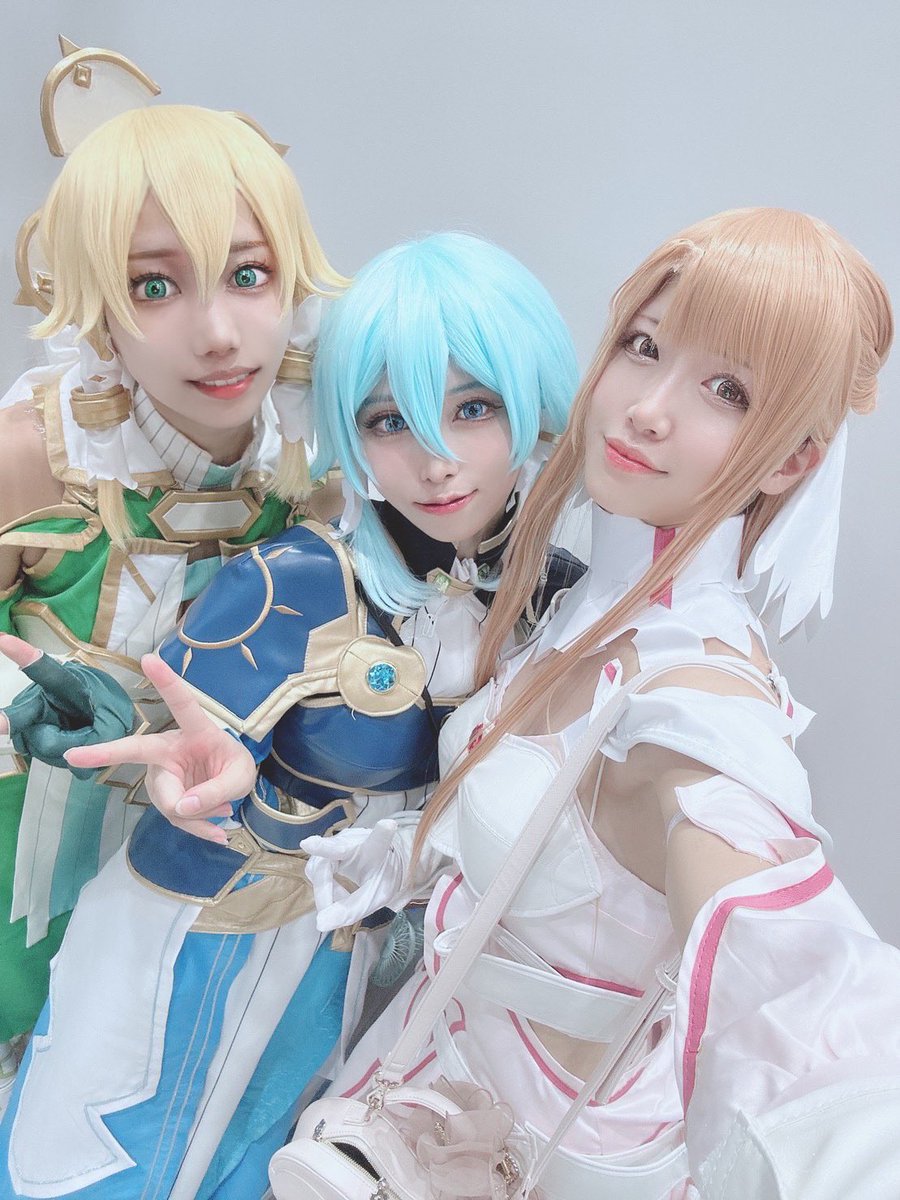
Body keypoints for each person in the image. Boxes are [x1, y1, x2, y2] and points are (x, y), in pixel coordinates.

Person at [285, 208, 900, 1199]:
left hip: (548, 1152)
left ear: (791, 459)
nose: (647, 408)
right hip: (424, 1087)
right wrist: (401, 855)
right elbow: (559, 849)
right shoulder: (586, 600)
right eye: (645, 347)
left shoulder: (700, 711)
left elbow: (807, 1012)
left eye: (728, 390)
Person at [0, 232, 580, 1200]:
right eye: (390, 421)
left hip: (357, 958)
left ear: (537, 405)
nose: (437, 460)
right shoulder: (296, 580)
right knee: (104, 1163)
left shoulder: (558, 599)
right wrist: (204, 770)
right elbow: (193, 743)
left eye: (474, 408)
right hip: (190, 936)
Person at [0, 95, 343, 1111]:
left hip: (206, 860)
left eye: (249, 274)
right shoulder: (35, 453)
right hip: (26, 846)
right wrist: (28, 698)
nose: (219, 334)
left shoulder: (324, 459)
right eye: (155, 285)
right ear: (97, 308)